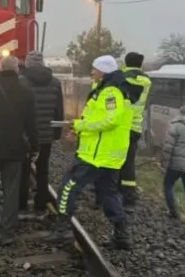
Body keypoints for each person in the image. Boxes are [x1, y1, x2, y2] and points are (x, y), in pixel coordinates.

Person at [46, 55, 133, 250]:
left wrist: (80, 125)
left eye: (94, 69)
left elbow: (110, 121)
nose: (92, 72)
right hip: (108, 156)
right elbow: (97, 119)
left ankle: (62, 229)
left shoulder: (110, 93)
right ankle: (122, 235)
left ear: (103, 71)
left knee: (68, 187)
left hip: (96, 156)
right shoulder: (111, 90)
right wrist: (79, 131)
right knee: (108, 193)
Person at [0, 55, 38, 244]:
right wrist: (34, 147)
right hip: (14, 149)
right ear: (17, 70)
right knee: (11, 191)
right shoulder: (26, 92)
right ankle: (7, 231)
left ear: (0, 68)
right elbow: (31, 125)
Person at [18, 51, 64, 218]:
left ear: (28, 64)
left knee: (23, 170)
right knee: (43, 169)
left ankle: (21, 204)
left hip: (25, 135)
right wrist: (57, 133)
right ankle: (40, 204)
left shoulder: (21, 81)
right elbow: (59, 110)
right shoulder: (55, 83)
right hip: (46, 134)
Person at [119, 52, 153, 208]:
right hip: (135, 128)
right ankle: (129, 194)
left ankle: (112, 191)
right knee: (129, 162)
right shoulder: (146, 81)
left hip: (119, 126)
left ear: (126, 63)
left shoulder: (120, 78)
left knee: (113, 160)